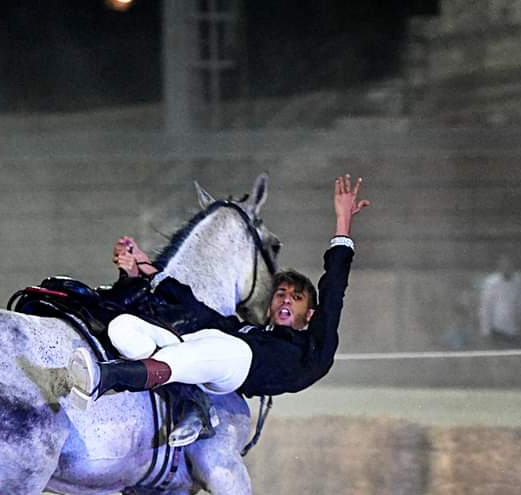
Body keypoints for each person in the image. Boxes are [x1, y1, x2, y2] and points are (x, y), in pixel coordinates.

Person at [68, 174, 368, 416]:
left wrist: (343, 224)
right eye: (281, 293)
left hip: (237, 364)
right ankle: (181, 405)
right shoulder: (245, 329)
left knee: (221, 349)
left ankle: (105, 377)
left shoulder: (315, 347)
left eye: (297, 296)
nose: (286, 299)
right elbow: (198, 310)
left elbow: (334, 289)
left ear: (310, 314)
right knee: (125, 327)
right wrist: (147, 267)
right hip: (216, 352)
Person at [478, 254, 521, 348]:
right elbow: (485, 307)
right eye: (504, 264)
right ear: (500, 265)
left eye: (509, 264)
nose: (507, 267)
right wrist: (486, 331)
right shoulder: (490, 282)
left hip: (515, 331)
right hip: (497, 330)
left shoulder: (519, 282)